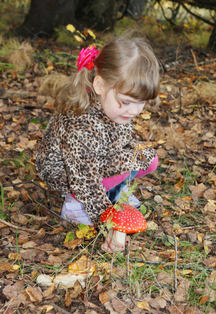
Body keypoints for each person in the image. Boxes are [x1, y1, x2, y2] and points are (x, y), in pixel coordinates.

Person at [35, 36, 160, 252]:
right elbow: (85, 179)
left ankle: (116, 192)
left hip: (96, 159)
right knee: (122, 166)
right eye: (127, 102)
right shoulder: (81, 127)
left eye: (141, 103)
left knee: (148, 160)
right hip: (68, 173)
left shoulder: (113, 109)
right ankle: (75, 206)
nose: (134, 111)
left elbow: (119, 141)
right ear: (100, 85)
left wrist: (129, 155)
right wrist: (108, 222)